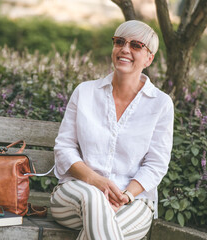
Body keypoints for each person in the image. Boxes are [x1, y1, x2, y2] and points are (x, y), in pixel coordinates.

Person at [50, 20, 174, 240]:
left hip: (133, 202)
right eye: (120, 42)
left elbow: (156, 164)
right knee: (94, 199)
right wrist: (96, 181)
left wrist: (125, 196)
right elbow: (64, 148)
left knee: (101, 227)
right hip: (75, 195)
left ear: (149, 58)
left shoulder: (161, 104)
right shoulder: (85, 92)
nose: (125, 49)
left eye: (136, 45)